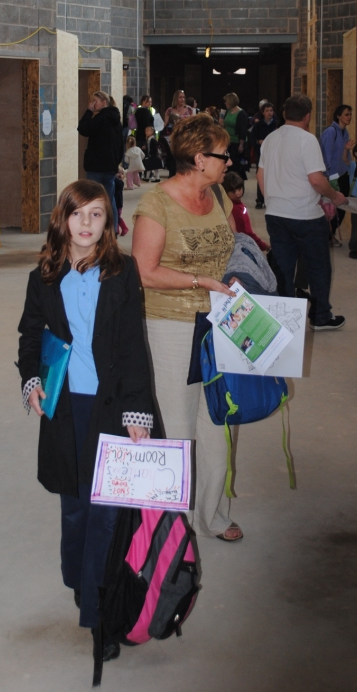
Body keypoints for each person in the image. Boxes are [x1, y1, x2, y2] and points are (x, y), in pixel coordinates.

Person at [17, 180, 158, 665]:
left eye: (96, 215)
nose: (85, 224)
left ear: (108, 223)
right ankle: (81, 583)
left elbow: (134, 348)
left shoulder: (122, 273)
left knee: (107, 513)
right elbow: (29, 335)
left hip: (112, 409)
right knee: (75, 508)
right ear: (63, 219)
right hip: (65, 411)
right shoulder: (44, 275)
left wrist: (138, 412)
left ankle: (101, 614)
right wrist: (31, 381)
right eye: (77, 214)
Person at [132, 114, 243, 541]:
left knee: (218, 419)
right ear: (198, 158)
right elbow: (142, 271)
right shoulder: (157, 204)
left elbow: (232, 244)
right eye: (221, 154)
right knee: (177, 423)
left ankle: (211, 513)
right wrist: (200, 282)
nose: (227, 159)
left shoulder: (217, 194)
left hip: (219, 320)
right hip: (170, 323)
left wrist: (234, 281)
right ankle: (173, 524)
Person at [257, 95, 348, 331]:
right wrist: (334, 196)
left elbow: (260, 175)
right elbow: (316, 180)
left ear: (284, 113)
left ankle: (284, 319)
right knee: (318, 266)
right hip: (305, 216)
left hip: (276, 214)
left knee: (283, 267)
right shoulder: (307, 141)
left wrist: (273, 201)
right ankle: (320, 316)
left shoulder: (270, 139)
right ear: (307, 116)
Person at [77, 91, 124, 232]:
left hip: (96, 167)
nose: (92, 104)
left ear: (104, 102)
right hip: (109, 167)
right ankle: (113, 229)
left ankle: (94, 228)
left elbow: (83, 129)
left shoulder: (101, 118)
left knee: (93, 199)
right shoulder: (116, 120)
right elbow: (120, 145)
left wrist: (88, 111)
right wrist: (117, 164)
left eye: (95, 101)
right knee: (109, 200)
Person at [320, 104, 354, 246]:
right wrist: (326, 175)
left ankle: (330, 234)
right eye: (346, 114)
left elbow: (346, 156)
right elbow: (326, 154)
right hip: (332, 176)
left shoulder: (345, 133)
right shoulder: (331, 132)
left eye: (350, 114)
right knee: (331, 208)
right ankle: (327, 236)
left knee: (341, 208)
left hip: (343, 175)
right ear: (339, 116)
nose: (349, 117)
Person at [222, 171, 270, 252]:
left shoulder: (231, 205)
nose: (238, 193)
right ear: (226, 192)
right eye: (233, 191)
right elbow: (246, 232)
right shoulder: (236, 209)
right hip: (242, 246)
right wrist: (263, 245)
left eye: (239, 189)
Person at [250, 101, 278, 207]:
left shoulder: (276, 124)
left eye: (271, 110)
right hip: (261, 153)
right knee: (261, 175)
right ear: (263, 112)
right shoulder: (258, 125)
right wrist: (258, 141)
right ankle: (260, 199)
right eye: (267, 111)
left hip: (274, 154)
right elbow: (252, 139)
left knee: (272, 176)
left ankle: (270, 198)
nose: (269, 113)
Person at [221, 93, 249, 181]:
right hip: (228, 142)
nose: (225, 103)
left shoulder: (241, 113)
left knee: (235, 166)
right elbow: (223, 124)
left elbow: (243, 130)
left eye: (226, 101)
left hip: (237, 142)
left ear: (230, 102)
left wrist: (241, 144)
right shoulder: (228, 111)